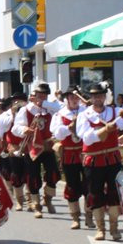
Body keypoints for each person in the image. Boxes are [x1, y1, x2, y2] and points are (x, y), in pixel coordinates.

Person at [76, 84, 123, 241]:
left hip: (112, 158)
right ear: (91, 98)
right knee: (95, 193)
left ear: (104, 97)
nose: (98, 99)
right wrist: (104, 130)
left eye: (100, 96)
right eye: (95, 96)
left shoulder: (114, 112)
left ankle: (114, 228)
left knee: (114, 193)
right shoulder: (85, 115)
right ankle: (100, 228)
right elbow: (85, 136)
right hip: (93, 159)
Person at [12, 84, 60, 218]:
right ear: (34, 95)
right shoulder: (25, 110)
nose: (41, 97)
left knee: (53, 174)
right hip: (31, 147)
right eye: (39, 95)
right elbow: (15, 128)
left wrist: (44, 103)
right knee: (33, 177)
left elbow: (61, 109)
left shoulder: (51, 108)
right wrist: (24, 130)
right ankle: (36, 205)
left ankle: (48, 198)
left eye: (44, 95)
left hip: (47, 146)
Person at [52, 87, 88, 230]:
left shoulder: (86, 112)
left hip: (85, 153)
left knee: (89, 184)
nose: (74, 100)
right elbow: (57, 133)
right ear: (66, 99)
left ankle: (90, 216)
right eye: (71, 97)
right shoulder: (60, 114)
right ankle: (75, 217)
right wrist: (69, 128)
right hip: (69, 154)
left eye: (76, 97)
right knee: (72, 185)